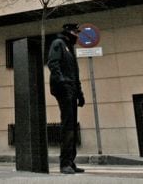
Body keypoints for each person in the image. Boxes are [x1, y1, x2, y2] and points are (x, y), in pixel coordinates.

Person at [47, 23, 86, 174]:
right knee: (67, 126)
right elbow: (52, 63)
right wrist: (62, 82)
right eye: (76, 33)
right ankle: (64, 163)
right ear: (69, 32)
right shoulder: (59, 44)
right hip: (63, 89)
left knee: (72, 127)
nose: (78, 36)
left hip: (72, 90)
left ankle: (71, 161)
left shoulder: (70, 48)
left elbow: (75, 74)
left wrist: (80, 94)